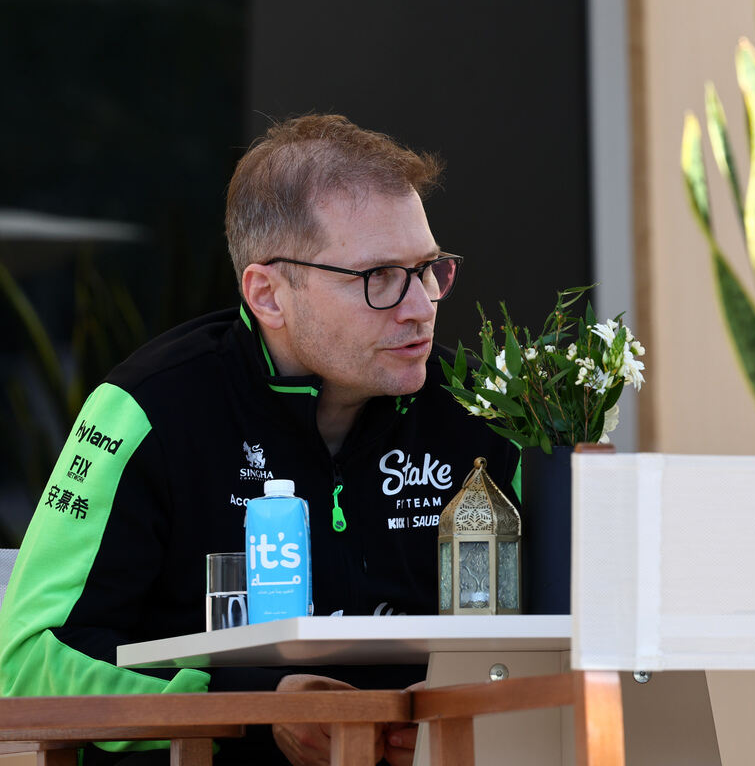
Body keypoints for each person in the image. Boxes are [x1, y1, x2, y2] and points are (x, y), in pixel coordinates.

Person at [0, 114, 519, 766]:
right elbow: (31, 663)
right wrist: (252, 706)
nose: (420, 305)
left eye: (429, 268)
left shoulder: (484, 409)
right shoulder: (145, 410)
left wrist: (453, 702)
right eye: (378, 278)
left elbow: (554, 627)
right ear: (268, 295)